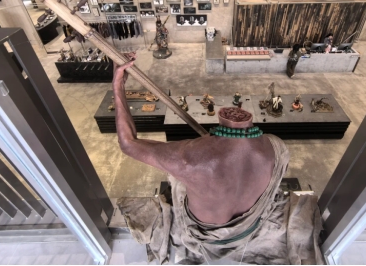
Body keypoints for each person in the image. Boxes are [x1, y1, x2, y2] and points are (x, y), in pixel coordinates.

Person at [113, 56, 322, 264]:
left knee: (178, 183)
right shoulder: (277, 148)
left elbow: (128, 143)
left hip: (205, 233)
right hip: (250, 227)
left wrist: (118, 84)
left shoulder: (189, 159)